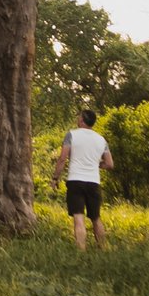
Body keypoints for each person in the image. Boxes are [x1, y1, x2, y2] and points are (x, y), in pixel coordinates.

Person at [54, 107, 112, 251]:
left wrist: (55, 178)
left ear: (81, 120)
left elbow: (62, 159)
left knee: (78, 217)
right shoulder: (101, 140)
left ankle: (81, 251)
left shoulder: (71, 135)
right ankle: (103, 249)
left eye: (79, 117)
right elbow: (110, 164)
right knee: (96, 218)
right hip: (93, 182)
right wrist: (96, 164)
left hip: (75, 181)